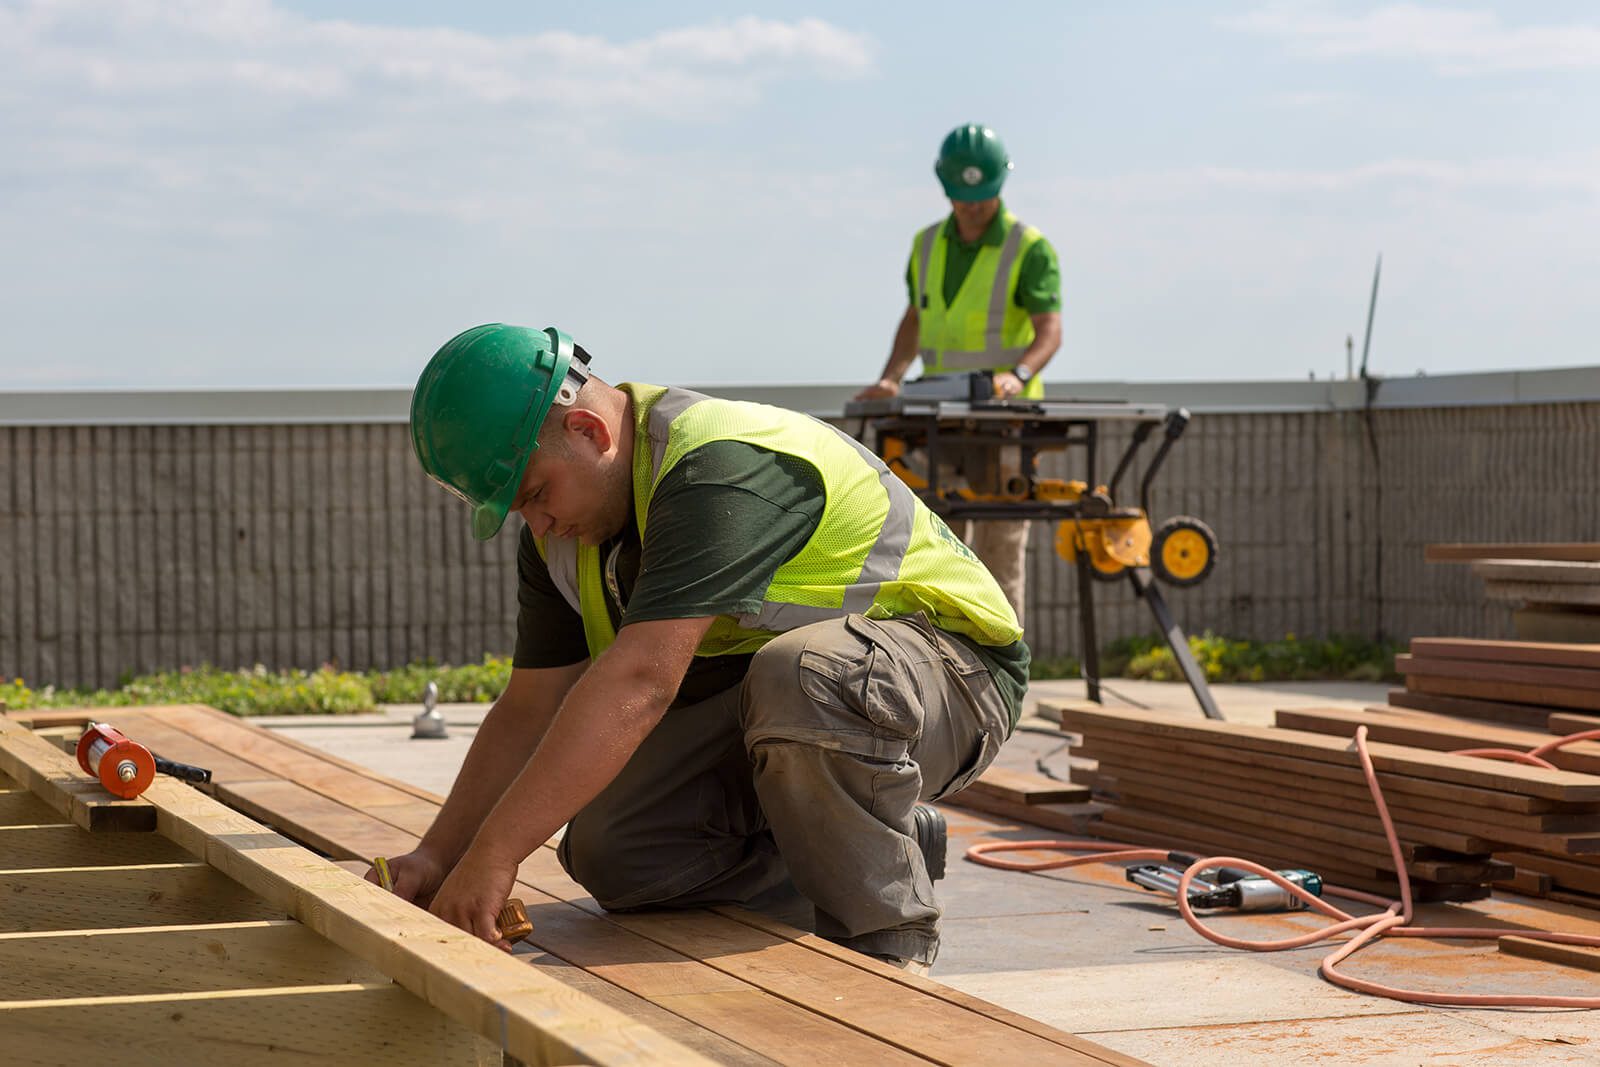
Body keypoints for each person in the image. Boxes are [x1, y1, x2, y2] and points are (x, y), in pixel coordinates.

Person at [375, 323, 1031, 973]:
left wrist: (495, 859)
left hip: (954, 675)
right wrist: (441, 854)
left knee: (802, 673)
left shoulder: (716, 469)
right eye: (519, 509)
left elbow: (639, 683)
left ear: (589, 431)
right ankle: (864, 839)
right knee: (616, 849)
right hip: (803, 699)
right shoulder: (559, 539)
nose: (538, 522)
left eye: (537, 493)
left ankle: (888, 947)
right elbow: (529, 708)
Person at [856, 123, 1063, 627]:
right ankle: (945, 667)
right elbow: (916, 318)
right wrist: (891, 377)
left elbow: (1049, 330)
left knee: (999, 553)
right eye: (963, 196)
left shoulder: (1028, 247)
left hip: (1003, 421)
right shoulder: (927, 246)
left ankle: (1004, 677)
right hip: (939, 421)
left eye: (983, 196)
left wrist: (1018, 373)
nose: (973, 206)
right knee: (936, 550)